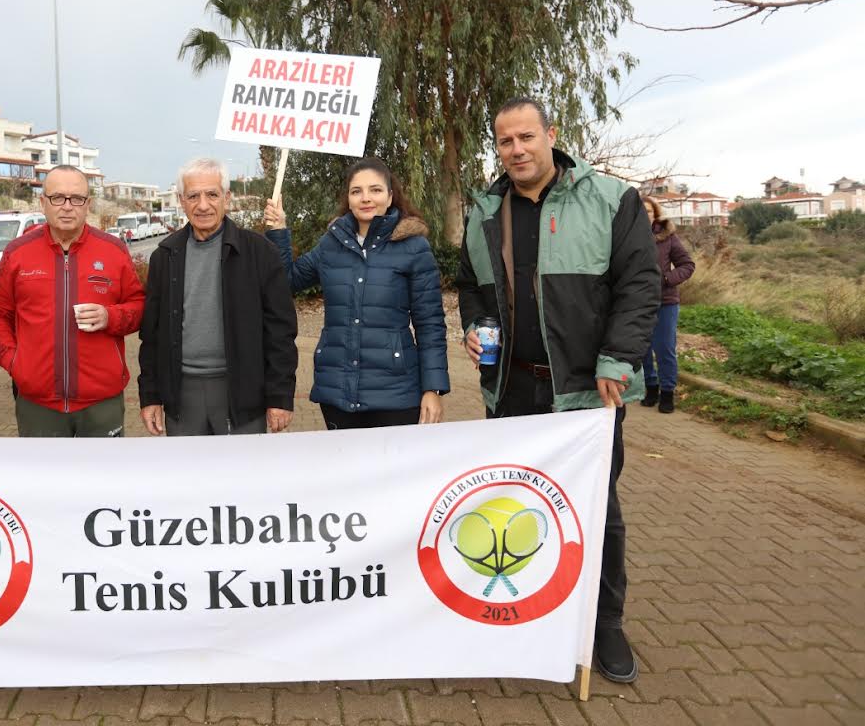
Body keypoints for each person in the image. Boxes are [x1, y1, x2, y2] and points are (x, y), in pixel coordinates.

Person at [455, 97, 659, 685]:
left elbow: (640, 285)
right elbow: (470, 284)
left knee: (597, 512)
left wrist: (619, 357)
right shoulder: (487, 209)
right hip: (510, 391)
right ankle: (529, 614)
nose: (515, 150)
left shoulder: (610, 200)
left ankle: (604, 625)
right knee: (515, 504)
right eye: (504, 142)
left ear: (551, 135)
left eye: (525, 138)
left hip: (586, 394)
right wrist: (474, 327)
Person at [263, 156, 449, 429]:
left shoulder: (414, 248)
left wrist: (433, 389)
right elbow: (286, 281)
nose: (366, 198)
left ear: (390, 196)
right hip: (337, 391)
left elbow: (430, 323)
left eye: (375, 190)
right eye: (356, 191)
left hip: (396, 394)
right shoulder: (331, 244)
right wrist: (279, 230)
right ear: (348, 199)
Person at [139, 157, 298, 436]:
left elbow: (280, 332)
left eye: (212, 194)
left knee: (242, 476)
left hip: (242, 393)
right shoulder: (164, 256)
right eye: (193, 196)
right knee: (188, 476)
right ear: (181, 200)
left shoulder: (259, 253)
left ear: (227, 197)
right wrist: (150, 395)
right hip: (182, 394)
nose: (203, 205)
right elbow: (151, 335)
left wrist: (279, 396)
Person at [0, 166, 145, 437]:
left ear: (88, 204)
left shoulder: (113, 250)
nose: (67, 207)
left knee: (103, 479)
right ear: (43, 202)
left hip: (102, 403)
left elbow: (138, 306)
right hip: (38, 405)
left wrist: (110, 317)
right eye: (58, 197)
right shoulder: (18, 253)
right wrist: (15, 362)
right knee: (41, 479)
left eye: (76, 198)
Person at [640, 195, 694, 414]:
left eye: (649, 211)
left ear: (656, 215)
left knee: (664, 349)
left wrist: (666, 279)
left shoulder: (668, 237)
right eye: (641, 211)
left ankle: (667, 392)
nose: (645, 215)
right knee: (641, 349)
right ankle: (650, 388)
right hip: (637, 302)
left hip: (666, 302)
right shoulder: (625, 235)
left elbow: (687, 264)